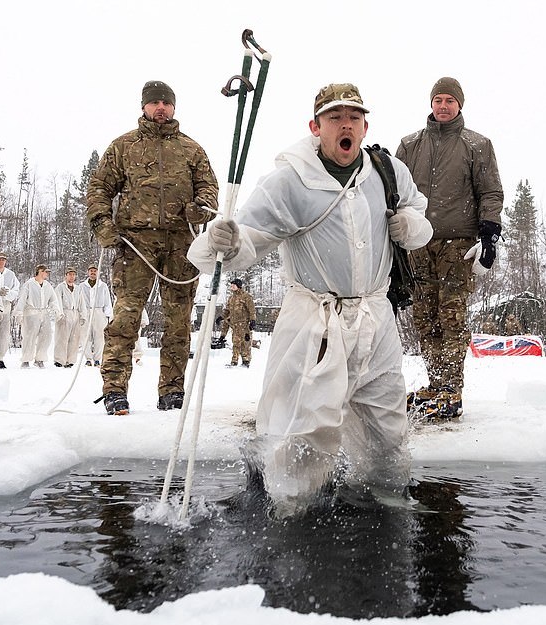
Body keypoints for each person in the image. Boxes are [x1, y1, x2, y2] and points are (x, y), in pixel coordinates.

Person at [188, 82, 432, 511]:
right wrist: (220, 241)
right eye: (335, 118)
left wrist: (411, 226)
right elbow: (243, 246)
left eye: (354, 118)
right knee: (303, 429)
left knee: (387, 426)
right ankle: (291, 510)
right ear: (315, 127)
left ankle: (384, 498)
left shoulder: (387, 171)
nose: (346, 125)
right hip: (314, 322)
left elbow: (417, 211)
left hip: (376, 319)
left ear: (365, 125)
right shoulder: (289, 181)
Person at [87, 80, 219, 415]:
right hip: (136, 244)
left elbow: (209, 187)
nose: (160, 107)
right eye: (154, 102)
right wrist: (103, 225)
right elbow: (99, 188)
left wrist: (201, 207)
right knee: (126, 317)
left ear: (174, 107)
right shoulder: (123, 147)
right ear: (144, 106)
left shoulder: (191, 150)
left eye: (166, 102)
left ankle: (172, 391)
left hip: (181, 245)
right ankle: (115, 388)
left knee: (178, 321)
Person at [396, 76, 503, 419]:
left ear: (460, 105)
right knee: (425, 317)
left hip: (458, 244)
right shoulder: (410, 145)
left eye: (450, 101)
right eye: (438, 99)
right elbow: (393, 193)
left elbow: (490, 192)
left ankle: (451, 388)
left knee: (452, 316)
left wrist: (489, 236)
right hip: (417, 242)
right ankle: (435, 382)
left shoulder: (477, 144)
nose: (443, 106)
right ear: (431, 103)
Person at [15, 264, 63, 369]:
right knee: (29, 337)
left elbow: (53, 299)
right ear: (40, 271)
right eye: (45, 272)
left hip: (43, 313)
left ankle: (39, 359)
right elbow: (22, 299)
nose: (47, 274)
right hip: (31, 313)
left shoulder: (47, 285)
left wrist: (56, 311)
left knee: (46, 336)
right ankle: (26, 360)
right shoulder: (29, 284)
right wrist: (19, 313)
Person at [79, 263, 113, 367]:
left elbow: (107, 301)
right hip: (86, 311)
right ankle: (88, 359)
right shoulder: (82, 286)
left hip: (99, 312)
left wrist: (108, 315)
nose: (93, 273)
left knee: (99, 337)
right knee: (85, 336)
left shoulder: (103, 286)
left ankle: (97, 359)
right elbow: (79, 301)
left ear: (98, 272)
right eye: (91, 271)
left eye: (95, 271)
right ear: (88, 272)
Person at [54, 266, 87, 368]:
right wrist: (59, 314)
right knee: (62, 338)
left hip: (75, 313)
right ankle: (59, 360)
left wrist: (83, 315)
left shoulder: (78, 289)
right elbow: (57, 301)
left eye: (73, 275)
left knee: (74, 338)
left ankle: (70, 360)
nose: (72, 277)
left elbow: (82, 303)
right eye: (70, 274)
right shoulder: (60, 287)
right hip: (65, 313)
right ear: (66, 276)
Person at [221, 278, 257, 368]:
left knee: (245, 343)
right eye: (231, 285)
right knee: (235, 343)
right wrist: (221, 317)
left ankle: (246, 360)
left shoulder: (246, 296)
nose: (231, 286)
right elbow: (227, 311)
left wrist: (253, 320)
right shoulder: (231, 298)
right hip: (235, 325)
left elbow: (252, 310)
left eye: (233, 285)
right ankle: (234, 361)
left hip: (244, 325)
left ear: (238, 286)